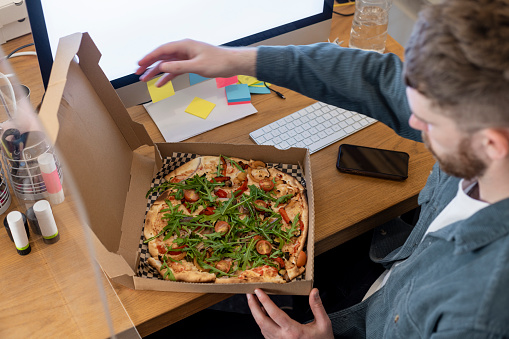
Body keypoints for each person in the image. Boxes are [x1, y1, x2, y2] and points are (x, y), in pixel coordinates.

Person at [136, 0, 509, 337]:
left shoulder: (479, 313)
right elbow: (377, 78)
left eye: (427, 120)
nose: (410, 121)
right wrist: (237, 60)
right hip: (388, 269)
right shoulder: (482, 122)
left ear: (492, 143)